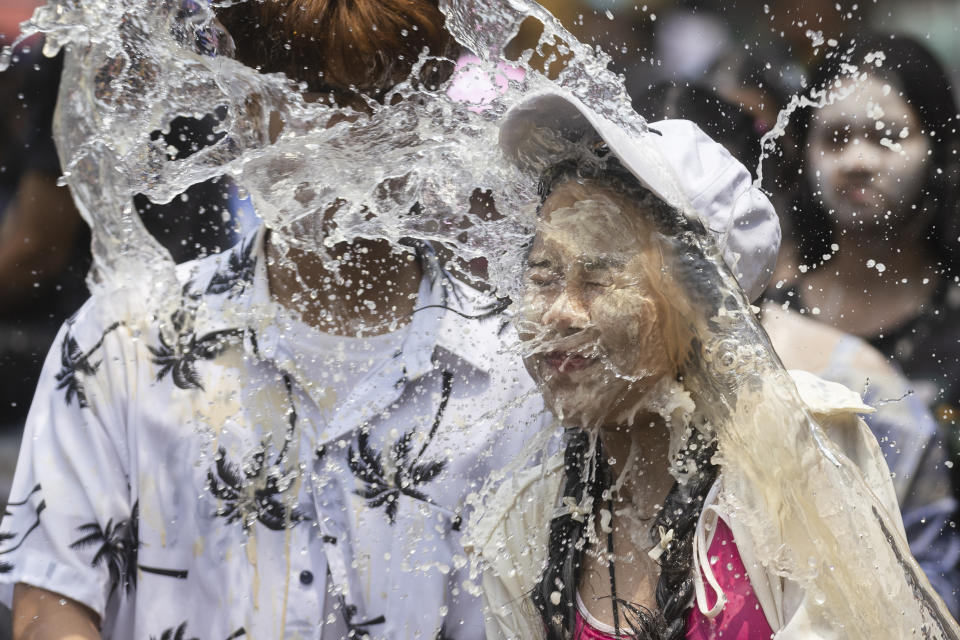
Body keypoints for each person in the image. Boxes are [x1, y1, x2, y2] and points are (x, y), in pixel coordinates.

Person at [0, 2, 549, 639]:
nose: (347, 126)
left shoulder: (520, 378)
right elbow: (51, 610)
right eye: (312, 92)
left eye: (384, 95)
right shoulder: (124, 343)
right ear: (246, 106)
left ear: (431, 117)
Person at [465, 90, 958, 639]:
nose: (558, 312)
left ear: (700, 303)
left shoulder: (795, 463)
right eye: (542, 275)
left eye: (601, 278)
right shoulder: (524, 517)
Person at [636, 81, 960, 615]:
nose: (651, 257)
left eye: (681, 227)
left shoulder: (858, 391)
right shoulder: (572, 382)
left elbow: (920, 608)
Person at [776, 34, 960, 472]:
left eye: (887, 137)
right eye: (835, 139)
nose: (857, 160)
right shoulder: (771, 322)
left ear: (939, 149)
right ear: (804, 153)